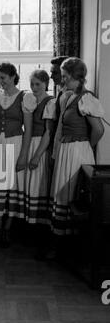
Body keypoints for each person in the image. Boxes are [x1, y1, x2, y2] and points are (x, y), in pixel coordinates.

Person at [0, 62, 37, 245]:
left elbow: (28, 129)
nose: (0, 81)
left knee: (11, 185)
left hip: (15, 143)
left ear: (13, 76)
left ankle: (8, 228)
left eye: (2, 77)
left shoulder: (25, 97)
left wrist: (23, 155)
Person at [50, 57, 104, 237]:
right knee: (63, 193)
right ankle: (60, 239)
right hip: (67, 150)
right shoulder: (69, 96)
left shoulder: (86, 97)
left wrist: (86, 146)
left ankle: (71, 242)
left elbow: (98, 129)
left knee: (73, 195)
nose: (62, 80)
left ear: (75, 76)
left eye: (65, 76)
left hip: (78, 151)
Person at [24, 69, 56, 226]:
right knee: (30, 184)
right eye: (32, 84)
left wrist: (37, 156)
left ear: (46, 84)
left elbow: (49, 133)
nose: (34, 87)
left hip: (41, 146)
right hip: (29, 144)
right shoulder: (31, 102)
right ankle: (29, 223)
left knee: (39, 185)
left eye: (38, 84)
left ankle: (39, 225)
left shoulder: (50, 102)